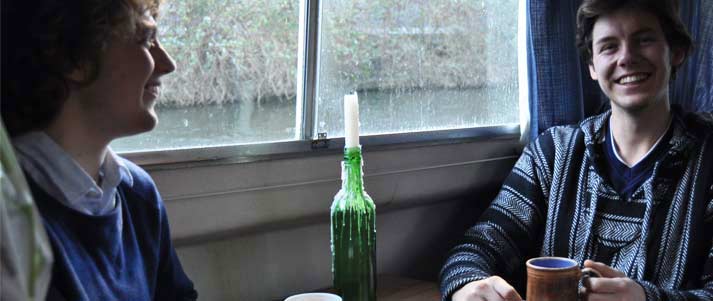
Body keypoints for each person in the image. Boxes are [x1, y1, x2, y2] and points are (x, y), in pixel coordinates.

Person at [439, 0, 713, 300]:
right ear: (592, 67)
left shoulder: (708, 159)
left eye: (644, 39)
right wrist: (469, 286)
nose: (626, 57)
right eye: (609, 46)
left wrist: (648, 298)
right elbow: (479, 246)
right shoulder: (552, 154)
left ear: (676, 52)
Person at [1, 0, 198, 300]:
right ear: (74, 59)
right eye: (146, 41)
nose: (168, 64)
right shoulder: (11, 216)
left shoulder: (139, 196)